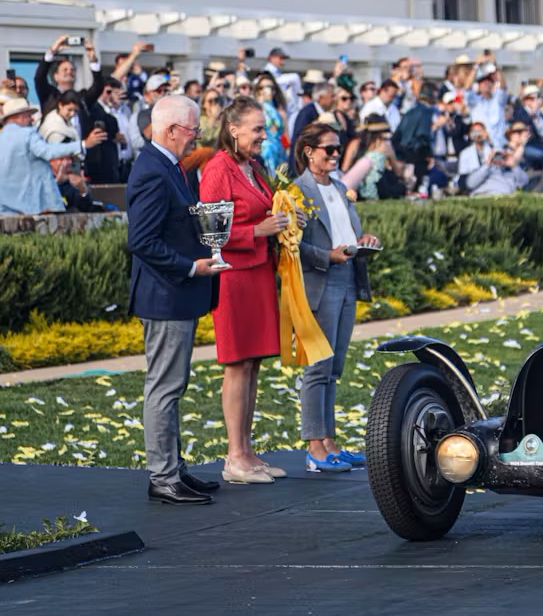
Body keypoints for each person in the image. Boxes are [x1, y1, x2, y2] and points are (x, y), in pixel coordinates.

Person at [126, 94, 225, 505]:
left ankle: (172, 468)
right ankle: (163, 476)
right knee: (165, 388)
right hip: (165, 296)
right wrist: (191, 267)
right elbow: (142, 241)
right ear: (170, 130)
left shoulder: (172, 167)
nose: (196, 137)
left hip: (176, 295)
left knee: (172, 386)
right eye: (192, 130)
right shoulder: (152, 170)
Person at [199, 97, 292, 484]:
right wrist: (257, 231)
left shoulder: (254, 167)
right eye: (256, 129)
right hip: (234, 277)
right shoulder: (218, 168)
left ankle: (248, 452)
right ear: (233, 129)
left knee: (252, 364)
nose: (262, 136)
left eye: (263, 128)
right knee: (237, 364)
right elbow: (209, 233)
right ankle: (234, 457)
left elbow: (261, 213)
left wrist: (285, 218)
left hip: (257, 273)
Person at [293, 122, 377, 470]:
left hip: (346, 276)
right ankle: (315, 447)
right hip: (319, 281)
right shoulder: (297, 191)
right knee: (317, 367)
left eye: (337, 148)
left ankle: (329, 441)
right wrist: (327, 256)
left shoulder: (340, 187)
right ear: (309, 151)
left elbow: (346, 231)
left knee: (334, 367)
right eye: (328, 149)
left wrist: (365, 240)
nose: (335, 154)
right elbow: (292, 246)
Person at [0, 98, 85, 215]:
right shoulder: (27, 133)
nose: (32, 119)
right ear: (20, 116)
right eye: (29, 115)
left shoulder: (2, 137)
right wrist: (81, 145)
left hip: (5, 206)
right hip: (34, 205)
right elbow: (47, 151)